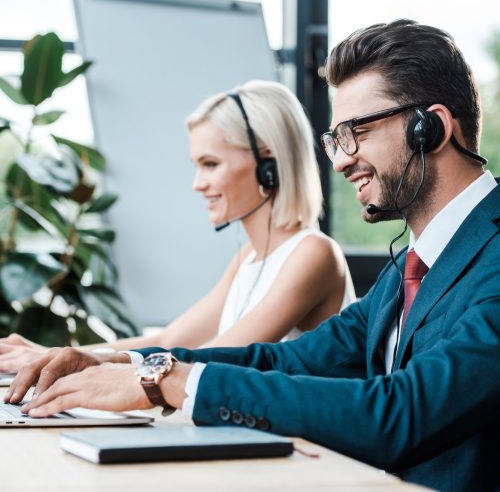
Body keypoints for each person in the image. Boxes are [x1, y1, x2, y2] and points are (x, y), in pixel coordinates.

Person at [6, 20, 500, 492]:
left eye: (358, 133)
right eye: (335, 140)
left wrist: (166, 382)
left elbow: (402, 413)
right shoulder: (404, 273)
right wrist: (121, 362)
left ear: (430, 129)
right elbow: (283, 360)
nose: (342, 159)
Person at [0, 80, 355, 372]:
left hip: (315, 452)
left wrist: (85, 363)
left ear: (269, 165)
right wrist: (55, 355)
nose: (197, 183)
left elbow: (218, 357)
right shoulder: (249, 258)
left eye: (210, 164)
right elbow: (172, 341)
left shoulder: (314, 253)